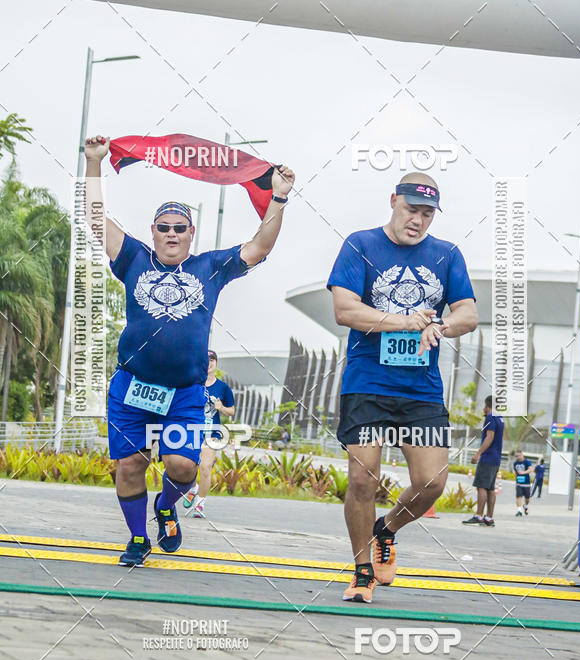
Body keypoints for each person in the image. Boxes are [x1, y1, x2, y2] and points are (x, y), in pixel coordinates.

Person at [84, 135, 294, 566]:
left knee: (182, 467)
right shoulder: (133, 259)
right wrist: (93, 162)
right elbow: (95, 219)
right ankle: (138, 539)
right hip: (132, 387)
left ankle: (166, 508)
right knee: (129, 466)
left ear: (190, 234)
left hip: (183, 392)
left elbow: (261, 246)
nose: (172, 234)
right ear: (154, 233)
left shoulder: (210, 267)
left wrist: (279, 198)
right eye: (164, 228)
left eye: (180, 228)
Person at [328, 173, 478, 602]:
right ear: (393, 201)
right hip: (368, 382)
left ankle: (386, 529)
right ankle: (361, 572)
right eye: (411, 209)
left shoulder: (447, 255)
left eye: (426, 213)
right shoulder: (361, 244)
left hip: (421, 389)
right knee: (362, 478)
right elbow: (344, 309)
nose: (417, 220)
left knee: (433, 482)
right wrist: (404, 321)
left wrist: (440, 325)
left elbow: (468, 312)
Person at [183, 349, 235, 517]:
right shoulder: (192, 383)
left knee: (205, 468)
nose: (209, 362)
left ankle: (200, 504)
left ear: (216, 363)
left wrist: (222, 408)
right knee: (188, 466)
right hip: (191, 431)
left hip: (212, 433)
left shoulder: (223, 387)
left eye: (212, 359)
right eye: (206, 359)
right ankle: (193, 488)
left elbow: (232, 411)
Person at [463, 395, 504, 527]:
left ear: (487, 406)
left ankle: (478, 516)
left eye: (484, 406)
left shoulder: (490, 417)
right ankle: (489, 518)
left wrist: (478, 454)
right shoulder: (500, 418)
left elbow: (489, 437)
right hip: (496, 458)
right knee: (490, 488)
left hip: (487, 457)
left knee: (481, 486)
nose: (483, 409)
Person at [513, 450, 534, 516]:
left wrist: (523, 472)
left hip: (526, 483)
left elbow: (530, 469)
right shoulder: (515, 463)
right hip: (519, 483)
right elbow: (516, 472)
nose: (518, 457)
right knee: (518, 496)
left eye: (519, 455)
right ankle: (519, 511)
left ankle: (525, 505)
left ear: (522, 455)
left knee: (527, 498)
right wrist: (516, 481)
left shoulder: (527, 462)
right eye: (516, 456)